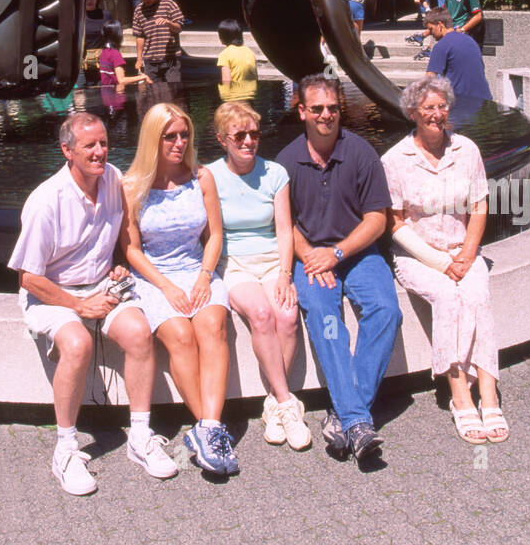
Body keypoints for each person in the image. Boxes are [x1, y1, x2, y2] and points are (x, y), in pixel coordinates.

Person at [9, 112, 177, 495]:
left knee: (138, 333)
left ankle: (139, 436)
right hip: (52, 292)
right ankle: (65, 449)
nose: (100, 152)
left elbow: (121, 241)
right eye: (90, 146)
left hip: (102, 285)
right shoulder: (45, 202)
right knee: (78, 343)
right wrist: (79, 306)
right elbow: (28, 277)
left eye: (103, 143)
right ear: (67, 150)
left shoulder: (113, 179)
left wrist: (118, 267)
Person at [276, 74, 402, 465]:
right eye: (317, 108)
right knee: (327, 320)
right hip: (312, 259)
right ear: (302, 112)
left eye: (332, 107)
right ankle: (357, 420)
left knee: (386, 311)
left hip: (358, 255)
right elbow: (285, 224)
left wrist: (339, 252)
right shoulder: (286, 162)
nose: (326, 115)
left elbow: (377, 220)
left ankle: (347, 416)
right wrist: (314, 254)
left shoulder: (362, 154)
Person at [381, 75, 508, 444]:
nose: (437, 114)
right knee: (449, 298)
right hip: (418, 258)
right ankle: (459, 395)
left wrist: (467, 254)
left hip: (464, 252)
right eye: (428, 108)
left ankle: (488, 392)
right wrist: (439, 263)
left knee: (478, 297)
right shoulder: (395, 160)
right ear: (412, 113)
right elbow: (394, 220)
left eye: (442, 107)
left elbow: (480, 204)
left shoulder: (466, 149)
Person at [119, 103, 237, 475]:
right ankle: (208, 428)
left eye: (184, 135)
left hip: (196, 268)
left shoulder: (201, 177)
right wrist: (166, 286)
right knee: (180, 336)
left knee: (212, 327)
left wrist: (205, 276)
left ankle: (210, 428)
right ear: (153, 139)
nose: (179, 142)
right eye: (170, 136)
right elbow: (131, 250)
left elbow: (215, 234)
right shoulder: (132, 186)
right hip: (155, 277)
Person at [208, 101, 311, 450]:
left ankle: (271, 402)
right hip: (234, 262)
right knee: (263, 315)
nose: (249, 141)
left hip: (271, 259)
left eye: (254, 134)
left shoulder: (275, 173)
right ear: (223, 139)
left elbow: (285, 230)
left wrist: (285, 274)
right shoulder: (208, 176)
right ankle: (287, 403)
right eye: (240, 135)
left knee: (287, 315)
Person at [424, 9, 491, 101]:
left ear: (440, 25)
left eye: (431, 29)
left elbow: (429, 79)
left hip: (461, 103)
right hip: (485, 99)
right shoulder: (470, 40)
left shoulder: (441, 45)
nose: (431, 33)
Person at [132, 0, 184, 85]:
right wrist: (139, 58)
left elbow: (179, 28)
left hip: (171, 58)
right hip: (151, 60)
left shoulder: (168, 4)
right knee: (153, 92)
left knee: (174, 91)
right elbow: (139, 36)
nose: (146, 0)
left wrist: (169, 23)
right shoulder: (138, 10)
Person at [81, 0, 112, 80]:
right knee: (80, 92)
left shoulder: (106, 15)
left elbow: (112, 38)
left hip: (102, 63)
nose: (89, 0)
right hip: (81, 64)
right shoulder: (76, 17)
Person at [216, 19, 258, 90]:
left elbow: (226, 80)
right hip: (250, 94)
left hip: (235, 95)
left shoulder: (225, 55)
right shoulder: (249, 52)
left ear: (221, 37)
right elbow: (255, 76)